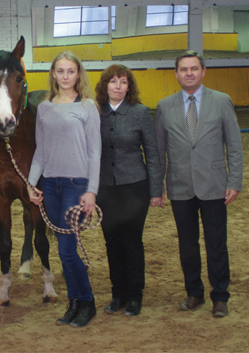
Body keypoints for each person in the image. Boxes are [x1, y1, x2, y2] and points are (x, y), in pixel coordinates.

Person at [155, 51, 243, 318]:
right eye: (184, 69)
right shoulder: (164, 106)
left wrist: (234, 181)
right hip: (180, 186)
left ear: (203, 71)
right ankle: (194, 292)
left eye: (194, 68)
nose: (189, 73)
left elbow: (235, 146)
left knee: (217, 243)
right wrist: (157, 186)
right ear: (176, 74)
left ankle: (220, 296)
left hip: (215, 184)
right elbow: (159, 151)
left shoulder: (222, 101)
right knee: (187, 244)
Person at [26, 51, 101, 328]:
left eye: (71, 71)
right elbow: (40, 151)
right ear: (53, 75)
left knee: (68, 251)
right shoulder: (44, 108)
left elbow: (95, 153)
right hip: (50, 184)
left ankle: (87, 301)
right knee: (63, 250)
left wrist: (91, 190)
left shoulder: (87, 107)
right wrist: (31, 184)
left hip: (76, 185)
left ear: (78, 74)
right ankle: (75, 303)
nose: (66, 76)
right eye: (61, 71)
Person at [94, 64, 163, 317]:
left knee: (132, 242)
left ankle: (135, 296)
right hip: (105, 189)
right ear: (105, 86)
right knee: (111, 242)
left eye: (123, 82)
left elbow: (153, 154)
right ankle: (117, 294)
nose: (118, 87)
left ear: (129, 85)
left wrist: (156, 191)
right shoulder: (94, 112)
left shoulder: (141, 112)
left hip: (135, 188)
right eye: (113, 82)